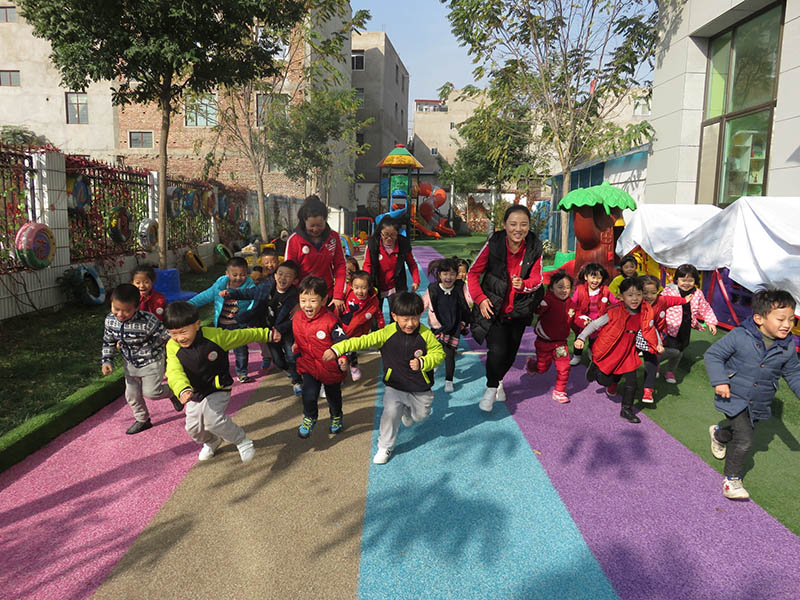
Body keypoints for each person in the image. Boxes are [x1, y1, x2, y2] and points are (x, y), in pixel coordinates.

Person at [324, 291, 445, 464]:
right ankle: (385, 446)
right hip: (395, 385)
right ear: (394, 316)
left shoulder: (425, 335)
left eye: (415, 318)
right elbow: (360, 341)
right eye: (405, 319)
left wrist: (424, 361)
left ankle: (408, 411)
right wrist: (337, 349)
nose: (410, 324)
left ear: (420, 315)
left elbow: (439, 353)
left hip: (420, 386)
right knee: (390, 414)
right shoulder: (385, 333)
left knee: (420, 416)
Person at [705, 289, 800, 500]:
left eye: (791, 320)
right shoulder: (740, 335)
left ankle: (719, 434)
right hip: (734, 395)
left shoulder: (787, 347)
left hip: (759, 401)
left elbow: (793, 373)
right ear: (759, 318)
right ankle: (732, 480)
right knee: (745, 440)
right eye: (781, 319)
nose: (787, 324)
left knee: (738, 433)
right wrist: (720, 380)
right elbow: (714, 355)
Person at [163, 302, 279, 463]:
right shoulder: (172, 346)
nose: (179, 338)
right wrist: (182, 389)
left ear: (197, 325)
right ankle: (212, 442)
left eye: (183, 332)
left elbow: (241, 336)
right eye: (173, 333)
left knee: (212, 420)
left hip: (217, 386)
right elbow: (174, 371)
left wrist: (266, 334)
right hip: (193, 391)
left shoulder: (215, 337)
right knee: (193, 428)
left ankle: (242, 441)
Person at [468, 204, 544, 412]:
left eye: (523, 224)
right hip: (493, 307)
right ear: (504, 225)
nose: (518, 229)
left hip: (520, 309)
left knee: (510, 353)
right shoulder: (494, 243)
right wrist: (481, 299)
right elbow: (472, 274)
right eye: (513, 224)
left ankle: (499, 381)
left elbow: (539, 278)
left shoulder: (535, 246)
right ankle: (491, 388)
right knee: (497, 350)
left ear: (529, 226)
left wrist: (525, 285)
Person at [101, 284, 182, 435]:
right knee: (131, 395)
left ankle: (173, 392)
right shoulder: (110, 320)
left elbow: (166, 335)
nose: (120, 314)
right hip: (130, 364)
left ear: (137, 307)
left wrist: (183, 342)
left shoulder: (148, 321)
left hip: (151, 360)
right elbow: (108, 341)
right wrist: (107, 361)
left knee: (152, 392)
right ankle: (143, 420)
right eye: (116, 308)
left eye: (126, 311)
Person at [576, 277, 659, 423]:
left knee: (632, 382)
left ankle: (626, 410)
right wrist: (581, 337)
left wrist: (657, 343)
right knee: (604, 380)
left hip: (628, 351)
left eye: (639, 294)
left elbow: (650, 328)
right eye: (630, 295)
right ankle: (595, 367)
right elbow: (594, 325)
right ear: (621, 296)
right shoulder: (614, 311)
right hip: (611, 348)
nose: (635, 299)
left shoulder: (646, 311)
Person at [222, 260, 302, 395]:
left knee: (291, 356)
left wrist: (280, 329)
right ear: (275, 276)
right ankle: (288, 370)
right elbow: (248, 293)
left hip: (286, 331)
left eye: (288, 276)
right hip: (268, 330)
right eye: (280, 274)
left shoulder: (294, 297)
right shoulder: (265, 287)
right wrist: (231, 293)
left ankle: (297, 381)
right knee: (277, 360)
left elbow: (293, 320)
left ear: (295, 281)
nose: (282, 278)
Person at [292, 276, 349, 439]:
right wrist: (296, 345)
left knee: (333, 396)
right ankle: (310, 417)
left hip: (330, 367)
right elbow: (300, 335)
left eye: (312, 301)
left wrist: (342, 355)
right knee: (308, 394)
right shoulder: (297, 318)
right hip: (309, 365)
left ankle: (336, 416)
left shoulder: (330, 321)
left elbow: (342, 340)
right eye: (303, 300)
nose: (307, 305)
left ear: (323, 300)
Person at [188, 257, 256, 382]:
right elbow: (206, 296)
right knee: (220, 349)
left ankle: (242, 372)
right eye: (234, 274)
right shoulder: (220, 285)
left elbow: (254, 303)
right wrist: (189, 304)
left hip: (238, 324)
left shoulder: (250, 287)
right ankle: (222, 370)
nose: (238, 278)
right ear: (227, 274)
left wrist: (248, 316)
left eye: (242, 274)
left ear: (247, 273)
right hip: (221, 323)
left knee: (241, 350)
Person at [284, 194, 347, 313]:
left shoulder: (333, 238)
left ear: (325, 220)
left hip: (326, 296)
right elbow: (288, 273)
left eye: (319, 225)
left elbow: (340, 266)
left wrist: (338, 295)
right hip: (303, 298)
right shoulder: (295, 240)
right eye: (311, 226)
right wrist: (296, 301)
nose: (316, 229)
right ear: (304, 222)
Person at [525, 271, 580, 403]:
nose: (564, 290)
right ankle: (532, 365)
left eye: (567, 287)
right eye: (560, 287)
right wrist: (538, 305)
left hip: (561, 344)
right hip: (544, 342)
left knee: (564, 367)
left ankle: (559, 391)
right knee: (542, 368)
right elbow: (537, 310)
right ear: (551, 288)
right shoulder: (547, 301)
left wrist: (584, 322)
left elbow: (576, 318)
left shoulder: (571, 304)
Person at [660, 264, 718, 383]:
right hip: (670, 326)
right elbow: (660, 304)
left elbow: (705, 308)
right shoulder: (669, 291)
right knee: (672, 350)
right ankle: (655, 362)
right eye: (683, 280)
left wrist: (711, 322)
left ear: (695, 281)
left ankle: (670, 371)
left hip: (685, 327)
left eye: (690, 280)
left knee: (680, 351)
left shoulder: (697, 293)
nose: (687, 283)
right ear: (677, 280)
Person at [640, 274, 692, 403]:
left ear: (658, 292)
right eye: (645, 293)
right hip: (638, 337)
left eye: (653, 293)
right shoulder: (638, 304)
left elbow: (673, 300)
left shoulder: (662, 300)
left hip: (657, 337)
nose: (649, 296)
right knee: (625, 359)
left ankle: (648, 391)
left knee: (651, 363)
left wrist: (684, 300)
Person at [422, 257, 470, 393]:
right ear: (439, 275)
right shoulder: (433, 289)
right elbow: (423, 304)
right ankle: (429, 377)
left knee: (449, 354)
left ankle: (449, 380)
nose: (448, 277)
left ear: (456, 275)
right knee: (432, 351)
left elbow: (469, 302)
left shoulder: (460, 288)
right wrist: (412, 317)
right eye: (445, 274)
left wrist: (466, 320)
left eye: (452, 274)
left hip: (453, 326)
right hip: (437, 326)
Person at [362, 216, 421, 317]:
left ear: (397, 233)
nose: (389, 238)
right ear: (380, 233)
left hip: (396, 286)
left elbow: (412, 264)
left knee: (397, 315)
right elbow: (367, 264)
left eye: (393, 235)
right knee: (375, 315)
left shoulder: (403, 244)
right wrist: (365, 282)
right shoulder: (373, 243)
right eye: (386, 235)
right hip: (376, 285)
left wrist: (416, 280)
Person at [339, 269, 383, 382]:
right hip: (343, 327)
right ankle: (340, 374)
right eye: (356, 287)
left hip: (358, 330)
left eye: (363, 288)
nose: (360, 291)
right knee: (340, 352)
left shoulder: (372, 301)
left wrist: (381, 326)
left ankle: (353, 365)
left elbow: (378, 313)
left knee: (352, 350)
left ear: (369, 287)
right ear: (351, 286)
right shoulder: (347, 293)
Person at [570, 263, 614, 366]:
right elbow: (572, 303)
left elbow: (615, 301)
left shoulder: (605, 290)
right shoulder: (580, 289)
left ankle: (591, 350)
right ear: (586, 277)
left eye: (599, 278)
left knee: (595, 340)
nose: (595, 281)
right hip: (583, 319)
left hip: (598, 320)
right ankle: (577, 356)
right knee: (579, 338)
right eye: (593, 277)